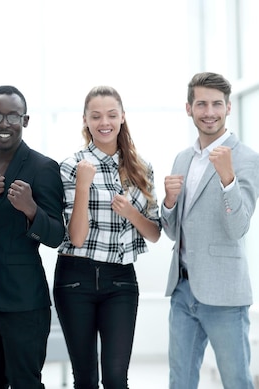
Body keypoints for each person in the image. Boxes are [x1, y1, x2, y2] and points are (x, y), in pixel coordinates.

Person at [54, 86, 161, 388]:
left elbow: (153, 234)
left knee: (116, 379)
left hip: (121, 280)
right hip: (76, 278)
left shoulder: (141, 168)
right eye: (96, 116)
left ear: (123, 117)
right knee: (85, 379)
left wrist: (130, 213)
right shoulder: (71, 166)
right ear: (85, 120)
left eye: (112, 115)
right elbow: (76, 238)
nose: (105, 122)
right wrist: (84, 186)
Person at [0, 85, 65, 388]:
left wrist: (31, 209)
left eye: (13, 116)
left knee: (25, 383)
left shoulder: (43, 167)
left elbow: (57, 235)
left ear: (26, 120)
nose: (4, 123)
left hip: (23, 302)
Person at [162, 72, 259, 389]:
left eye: (217, 104)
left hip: (226, 297)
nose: (209, 112)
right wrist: (169, 201)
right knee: (181, 381)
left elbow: (238, 228)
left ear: (229, 108)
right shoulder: (182, 158)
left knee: (236, 381)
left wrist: (228, 180)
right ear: (189, 108)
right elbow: (174, 232)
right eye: (201, 104)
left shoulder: (246, 159)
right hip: (183, 291)